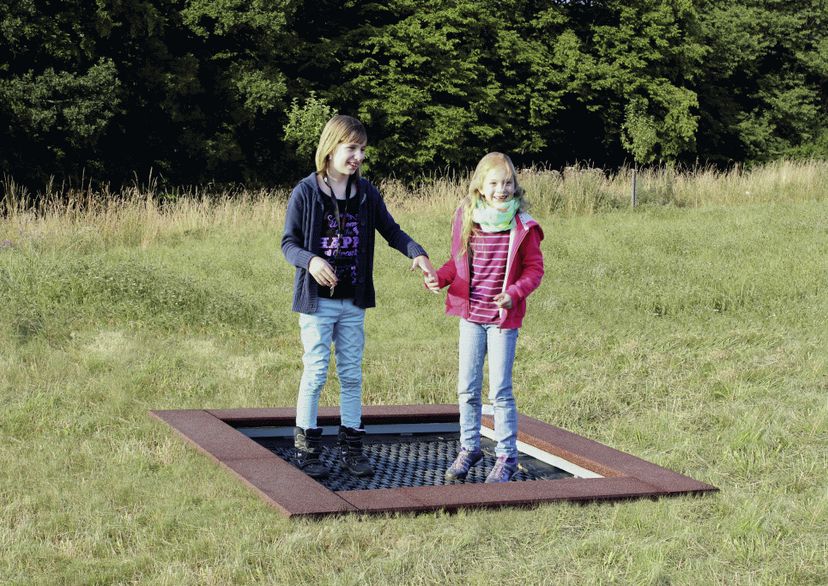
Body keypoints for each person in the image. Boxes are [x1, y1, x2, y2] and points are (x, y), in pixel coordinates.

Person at [282, 115, 437, 479]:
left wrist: (418, 253)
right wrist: (312, 260)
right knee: (317, 371)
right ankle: (307, 447)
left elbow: (392, 230)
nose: (358, 157)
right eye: (351, 148)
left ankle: (352, 447)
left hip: (353, 300)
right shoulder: (305, 192)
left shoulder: (366, 193)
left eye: (362, 150)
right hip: (317, 301)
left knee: (351, 374)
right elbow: (288, 244)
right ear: (331, 147)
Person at [425, 152, 544, 483]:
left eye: (507, 183)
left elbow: (535, 269)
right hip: (471, 317)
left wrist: (514, 293)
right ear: (480, 185)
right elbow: (456, 262)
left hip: (502, 319)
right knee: (467, 387)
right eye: (494, 183)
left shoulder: (523, 225)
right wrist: (439, 277)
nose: (501, 189)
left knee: (500, 390)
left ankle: (506, 456)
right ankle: (470, 447)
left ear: (515, 185)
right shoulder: (467, 218)